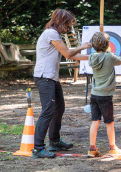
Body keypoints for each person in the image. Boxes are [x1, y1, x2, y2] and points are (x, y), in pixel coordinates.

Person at [31, 9, 91, 159]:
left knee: (59, 108)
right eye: (68, 24)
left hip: (51, 77)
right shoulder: (51, 33)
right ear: (61, 22)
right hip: (45, 77)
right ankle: (38, 148)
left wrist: (92, 57)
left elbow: (71, 53)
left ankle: (54, 142)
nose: (69, 28)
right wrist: (83, 46)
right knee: (48, 110)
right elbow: (67, 54)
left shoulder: (55, 34)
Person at [87, 32, 121, 157]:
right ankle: (113, 148)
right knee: (109, 123)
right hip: (105, 96)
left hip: (94, 94)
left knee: (94, 122)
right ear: (107, 45)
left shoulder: (91, 57)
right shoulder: (110, 56)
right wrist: (109, 51)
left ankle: (92, 149)